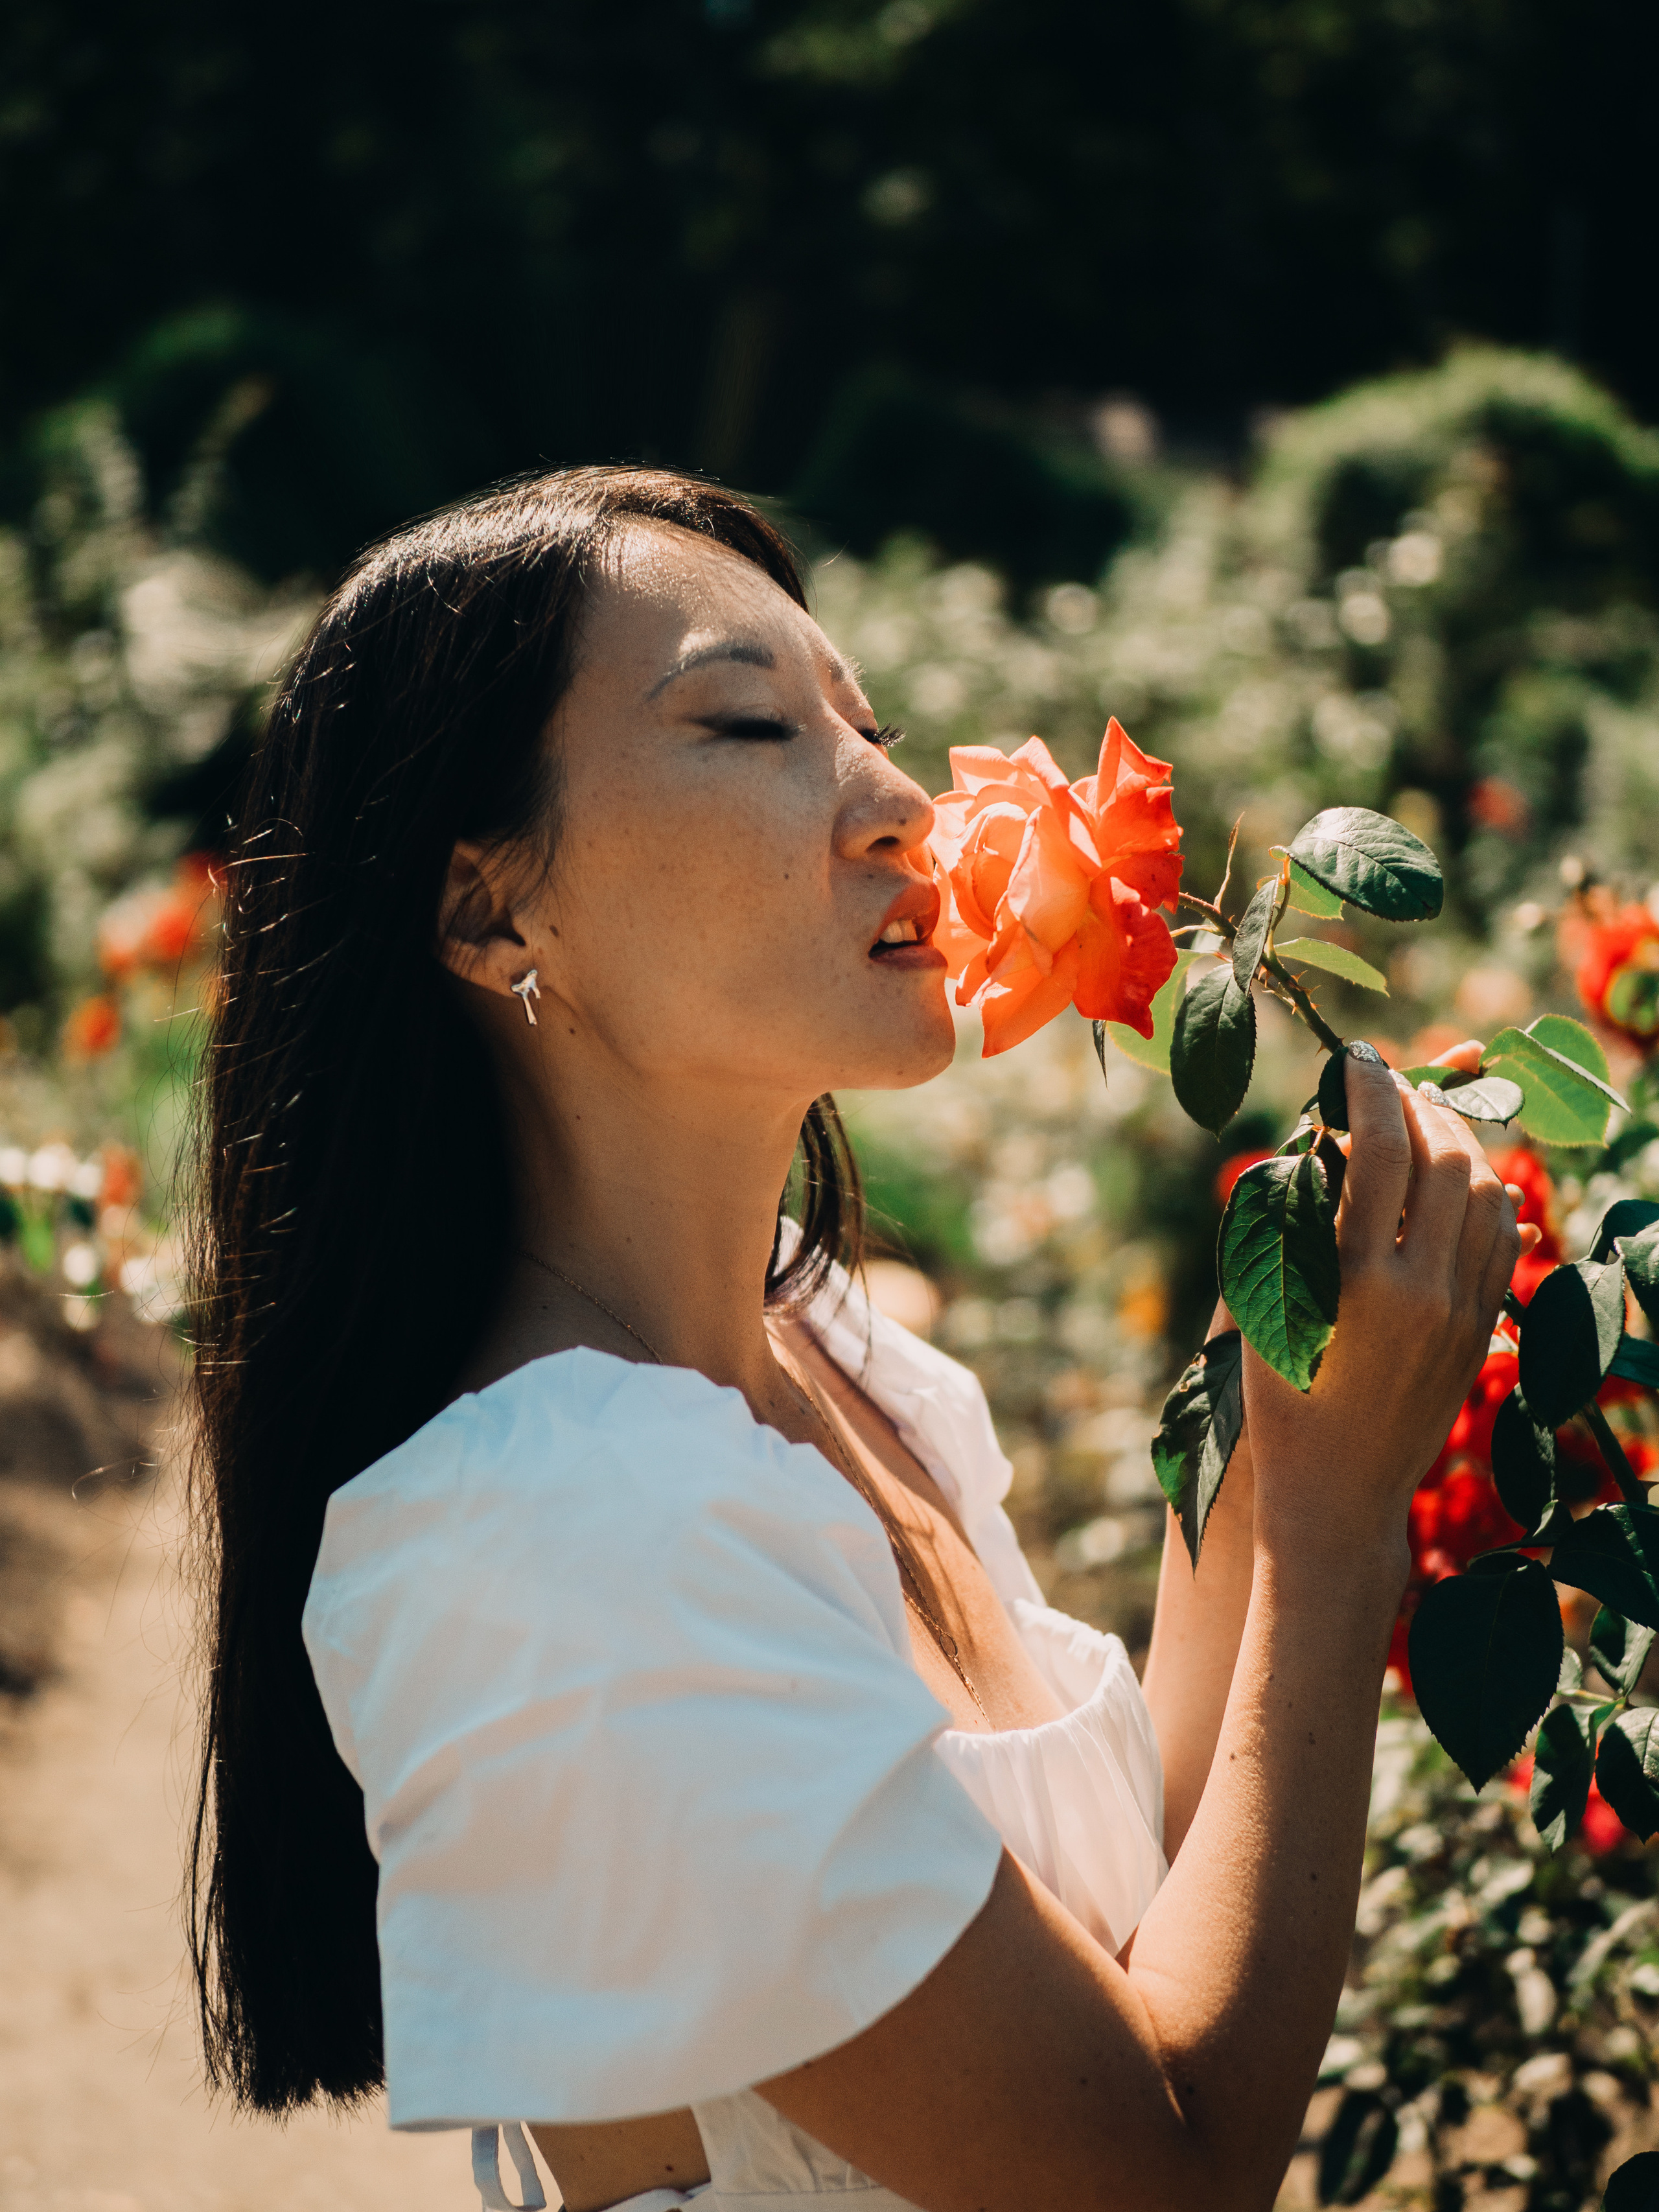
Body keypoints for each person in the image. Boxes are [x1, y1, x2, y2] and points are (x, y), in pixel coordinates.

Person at [186, 465, 1535, 2212]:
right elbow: (1159, 2179)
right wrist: (1340, 1537)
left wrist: (1275, 1431)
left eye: (869, 727)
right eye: (753, 727)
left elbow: (1144, 1931)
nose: (905, 803)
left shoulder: (848, 1368)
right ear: (489, 910)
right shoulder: (559, 1545)